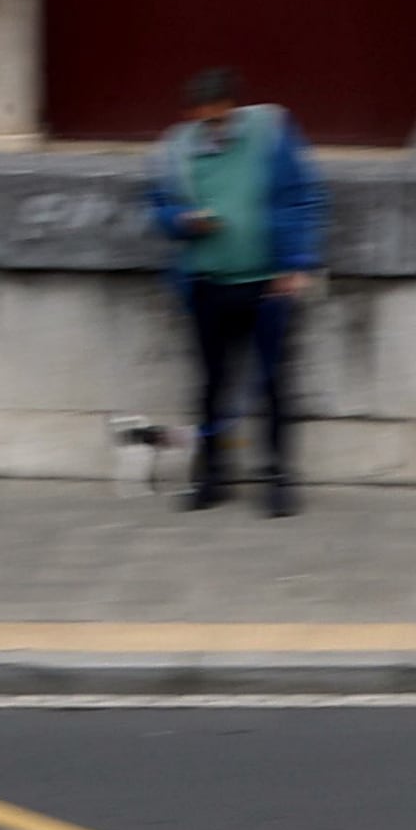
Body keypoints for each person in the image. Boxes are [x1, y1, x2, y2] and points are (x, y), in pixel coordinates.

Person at [141, 68, 328, 514]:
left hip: (268, 286)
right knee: (211, 385)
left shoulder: (270, 132)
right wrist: (183, 222)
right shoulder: (175, 148)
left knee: (276, 385)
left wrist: (295, 264)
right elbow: (158, 204)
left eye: (217, 114)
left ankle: (280, 479)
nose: (211, 124)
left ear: (231, 105)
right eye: (203, 117)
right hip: (208, 284)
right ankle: (211, 478)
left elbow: (302, 196)